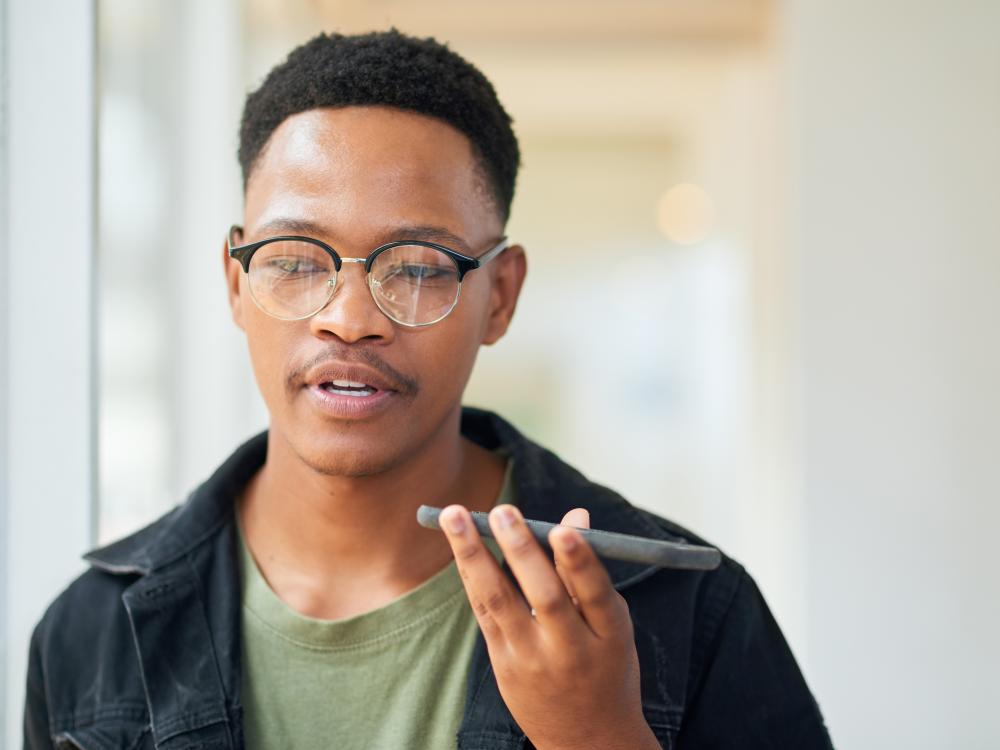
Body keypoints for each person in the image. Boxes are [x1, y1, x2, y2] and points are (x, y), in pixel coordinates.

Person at [24, 29, 833, 750]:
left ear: (501, 297)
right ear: (235, 283)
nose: (349, 320)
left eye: (415, 267)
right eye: (296, 260)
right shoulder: (90, 636)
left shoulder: (689, 613)